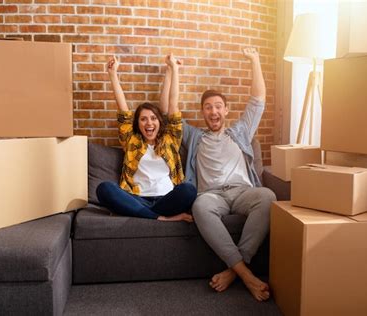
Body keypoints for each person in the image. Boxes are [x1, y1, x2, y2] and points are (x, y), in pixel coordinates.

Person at [182, 48, 276, 300]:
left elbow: (258, 100)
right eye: (208, 107)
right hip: (212, 196)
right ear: (203, 112)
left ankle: (234, 272)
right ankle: (247, 275)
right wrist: (173, 70)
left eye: (218, 107)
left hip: (243, 192)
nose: (213, 112)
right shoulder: (194, 136)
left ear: (226, 110)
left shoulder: (241, 132)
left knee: (268, 196)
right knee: (199, 206)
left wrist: (255, 60)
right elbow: (169, 114)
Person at [96, 54, 197, 222]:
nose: (148, 123)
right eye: (143, 119)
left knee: (189, 190)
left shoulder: (170, 139)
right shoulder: (131, 140)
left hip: (167, 198)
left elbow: (173, 105)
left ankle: (145, 214)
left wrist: (174, 70)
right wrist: (112, 74)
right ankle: (161, 218)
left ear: (159, 122)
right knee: (104, 189)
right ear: (138, 124)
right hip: (137, 198)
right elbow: (123, 110)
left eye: (153, 118)